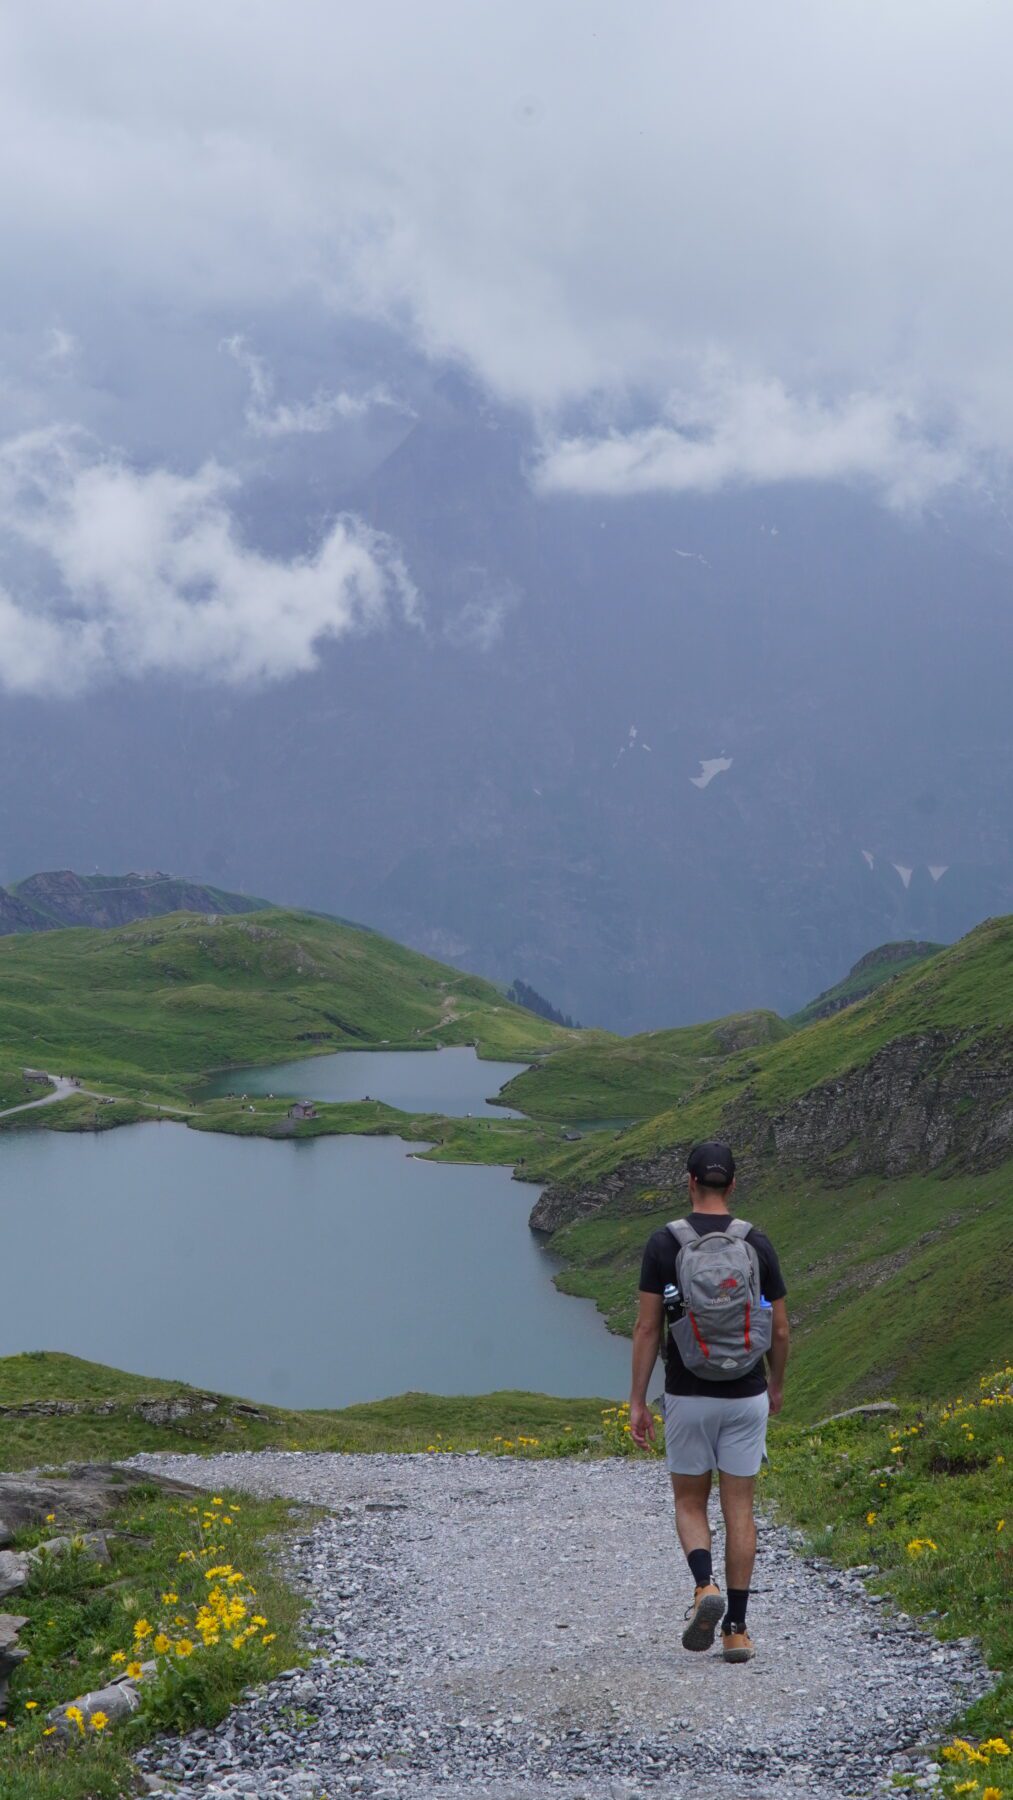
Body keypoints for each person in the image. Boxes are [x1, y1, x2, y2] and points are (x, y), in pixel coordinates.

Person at [629, 1140, 789, 1663]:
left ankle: (704, 1587)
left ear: (690, 1182)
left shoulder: (664, 1243)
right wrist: (776, 1386)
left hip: (688, 1393)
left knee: (689, 1501)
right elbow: (781, 1330)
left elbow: (648, 1327)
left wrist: (638, 1401)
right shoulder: (756, 1242)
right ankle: (738, 1630)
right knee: (739, 1508)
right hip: (746, 1394)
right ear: (733, 1185)